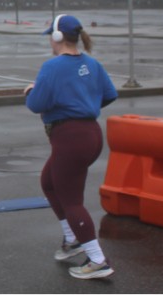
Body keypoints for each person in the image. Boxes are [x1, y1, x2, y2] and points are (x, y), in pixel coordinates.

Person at [25, 14, 118, 280]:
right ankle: (72, 238)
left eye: (50, 37)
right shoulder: (92, 63)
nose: (49, 42)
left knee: (72, 200)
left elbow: (36, 105)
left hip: (70, 138)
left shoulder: (52, 67)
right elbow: (110, 94)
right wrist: (84, 104)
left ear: (57, 38)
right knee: (49, 183)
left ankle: (97, 260)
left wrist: (30, 91)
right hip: (90, 134)